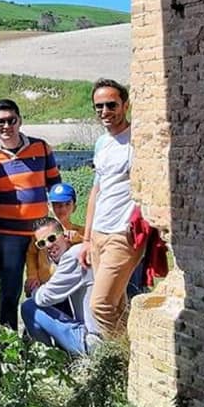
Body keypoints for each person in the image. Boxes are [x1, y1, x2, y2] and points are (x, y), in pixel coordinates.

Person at [0, 99, 61, 330]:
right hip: (6, 236)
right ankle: (8, 339)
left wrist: (60, 225)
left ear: (20, 121)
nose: (6, 126)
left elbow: (55, 186)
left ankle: (42, 336)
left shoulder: (41, 148)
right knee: (9, 291)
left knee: (48, 284)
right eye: (0, 122)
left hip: (40, 234)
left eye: (11, 120)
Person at [79, 78, 144, 340]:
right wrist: (87, 238)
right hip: (99, 232)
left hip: (123, 232)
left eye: (111, 105)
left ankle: (121, 353)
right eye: (99, 106)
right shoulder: (102, 143)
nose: (105, 111)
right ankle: (130, 353)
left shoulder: (137, 141)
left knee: (101, 304)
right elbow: (97, 190)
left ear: (125, 105)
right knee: (116, 303)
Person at [21, 217, 100, 356]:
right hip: (100, 335)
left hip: (91, 342)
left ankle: (50, 357)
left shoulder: (74, 256)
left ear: (64, 235)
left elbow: (44, 298)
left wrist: (33, 289)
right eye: (42, 244)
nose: (48, 246)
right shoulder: (79, 251)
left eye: (51, 238)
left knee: (29, 307)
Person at [24, 181, 84, 296]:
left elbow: (93, 248)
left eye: (67, 204)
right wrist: (32, 275)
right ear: (49, 206)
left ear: (74, 207)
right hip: (45, 284)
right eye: (57, 204)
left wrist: (80, 239)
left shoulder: (80, 232)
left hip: (71, 288)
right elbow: (31, 254)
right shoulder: (40, 232)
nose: (62, 209)